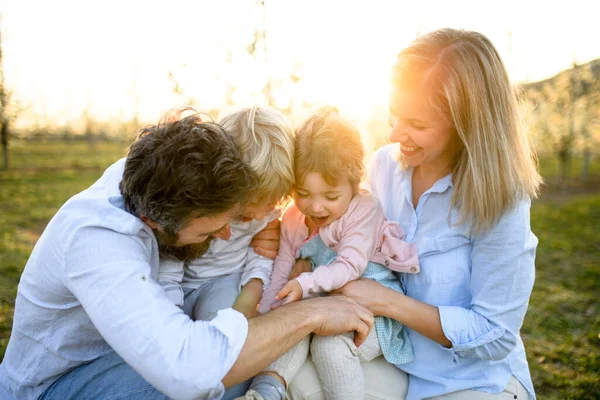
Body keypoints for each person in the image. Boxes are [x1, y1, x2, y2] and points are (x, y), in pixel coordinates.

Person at [0, 109, 375, 400]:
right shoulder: (98, 244)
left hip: (116, 354)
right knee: (226, 374)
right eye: (210, 232)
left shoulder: (154, 176)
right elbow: (190, 369)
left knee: (241, 359)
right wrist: (312, 312)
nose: (227, 234)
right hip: (57, 386)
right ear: (156, 222)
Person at [289, 28, 542, 400]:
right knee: (301, 382)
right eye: (394, 115)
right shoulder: (382, 169)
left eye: (417, 124)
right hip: (396, 362)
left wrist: (387, 301)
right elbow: (335, 219)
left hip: (471, 381)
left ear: (466, 123)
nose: (394, 134)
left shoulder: (502, 199)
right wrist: (279, 230)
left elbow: (496, 335)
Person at [239, 109, 420, 400]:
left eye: (331, 196)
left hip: (371, 310)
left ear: (354, 183)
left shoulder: (363, 209)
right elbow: (282, 266)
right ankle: (265, 393)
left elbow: (349, 264)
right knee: (289, 325)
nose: (316, 207)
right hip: (322, 301)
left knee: (330, 344)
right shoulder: (295, 217)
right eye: (304, 193)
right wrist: (268, 313)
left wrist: (304, 284)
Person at [157, 106, 295, 398]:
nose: (261, 212)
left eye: (272, 202)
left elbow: (261, 254)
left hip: (225, 280)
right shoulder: (203, 204)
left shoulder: (267, 215)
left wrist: (250, 292)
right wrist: (169, 309)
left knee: (223, 338)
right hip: (181, 285)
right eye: (254, 201)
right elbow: (171, 257)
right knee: (175, 347)